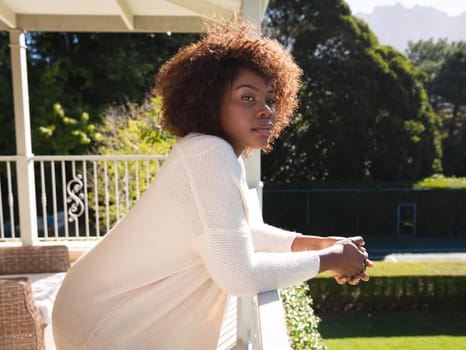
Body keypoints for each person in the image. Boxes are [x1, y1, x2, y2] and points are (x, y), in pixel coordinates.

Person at [52, 19, 373, 350]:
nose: (266, 111)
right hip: (101, 322)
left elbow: (245, 233)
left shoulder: (216, 154)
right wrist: (332, 259)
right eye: (247, 98)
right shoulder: (209, 152)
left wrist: (319, 244)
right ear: (208, 101)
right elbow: (239, 275)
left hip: (91, 312)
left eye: (270, 100)